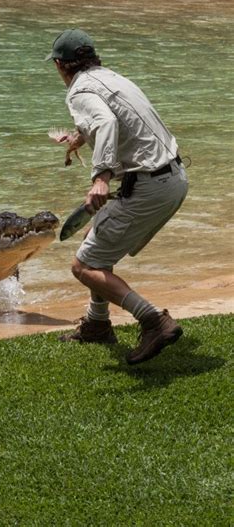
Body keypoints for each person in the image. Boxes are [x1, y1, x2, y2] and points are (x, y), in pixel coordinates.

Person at [47, 28, 188, 364]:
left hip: (147, 186)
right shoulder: (111, 77)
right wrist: (81, 137)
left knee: (83, 265)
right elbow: (117, 117)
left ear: (60, 66)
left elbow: (106, 122)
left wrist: (101, 177)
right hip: (173, 177)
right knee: (92, 237)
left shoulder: (79, 90)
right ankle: (97, 324)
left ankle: (154, 321)